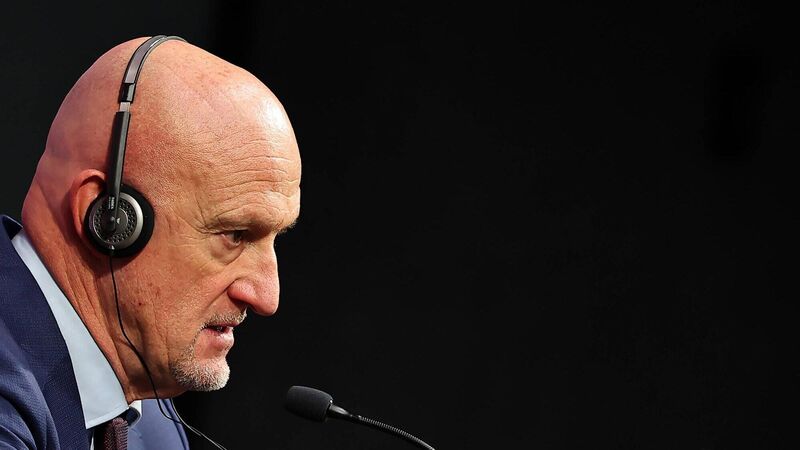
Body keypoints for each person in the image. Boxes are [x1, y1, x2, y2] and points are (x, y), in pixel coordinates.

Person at [0, 36, 301, 449]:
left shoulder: (153, 427)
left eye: (275, 237)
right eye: (234, 235)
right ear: (109, 220)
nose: (267, 298)